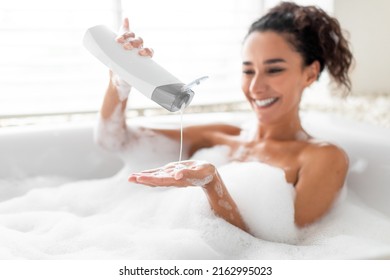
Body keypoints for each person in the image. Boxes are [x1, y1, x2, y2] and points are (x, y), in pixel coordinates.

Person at [96, 2, 353, 235]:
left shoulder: (322, 158)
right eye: (248, 70)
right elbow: (115, 141)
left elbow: (285, 251)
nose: (255, 87)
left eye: (274, 70)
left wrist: (212, 185)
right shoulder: (222, 135)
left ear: (310, 74)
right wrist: (120, 82)